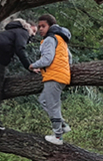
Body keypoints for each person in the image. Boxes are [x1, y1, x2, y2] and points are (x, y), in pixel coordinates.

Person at [0, 17, 36, 130]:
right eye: (34, 31)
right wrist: (30, 66)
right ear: (28, 26)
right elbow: (20, 50)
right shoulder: (23, 31)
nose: (33, 34)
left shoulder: (10, 31)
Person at [29, 14, 73, 145]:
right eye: (39, 26)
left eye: (43, 26)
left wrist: (33, 65)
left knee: (52, 105)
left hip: (53, 76)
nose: (41, 29)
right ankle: (63, 125)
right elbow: (70, 58)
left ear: (51, 26)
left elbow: (47, 59)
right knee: (43, 100)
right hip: (60, 75)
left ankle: (58, 136)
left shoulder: (49, 39)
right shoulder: (61, 39)